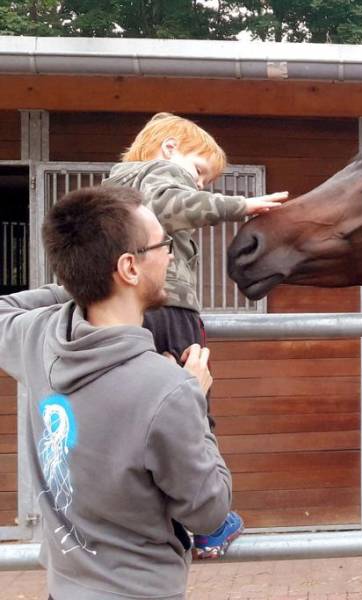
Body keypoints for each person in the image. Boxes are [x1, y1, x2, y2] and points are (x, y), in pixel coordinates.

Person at [0, 186, 232, 599]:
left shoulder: (36, 337)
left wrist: (79, 287)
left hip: (65, 588)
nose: (172, 255)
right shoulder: (169, 390)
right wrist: (196, 400)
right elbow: (209, 512)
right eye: (163, 244)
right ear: (129, 267)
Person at [102, 112, 287, 558]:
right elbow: (173, 204)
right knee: (190, 409)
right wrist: (242, 206)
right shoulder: (160, 176)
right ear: (168, 149)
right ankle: (209, 520)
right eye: (200, 172)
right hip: (168, 309)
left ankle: (152, 516)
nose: (200, 185)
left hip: (118, 313)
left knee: (136, 418)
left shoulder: (112, 188)